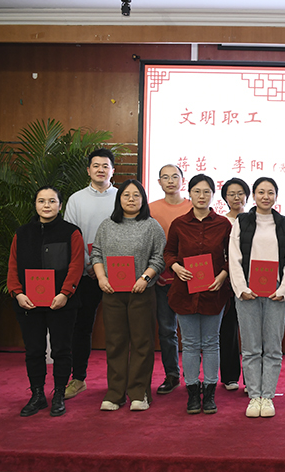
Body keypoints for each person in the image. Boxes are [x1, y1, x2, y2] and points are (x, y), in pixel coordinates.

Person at [7, 186, 84, 417]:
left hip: (62, 303)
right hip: (28, 303)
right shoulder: (22, 233)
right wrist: (18, 293)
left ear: (60, 205)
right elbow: (12, 266)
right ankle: (37, 394)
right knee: (34, 350)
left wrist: (65, 293)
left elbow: (76, 265)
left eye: (52, 201)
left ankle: (59, 393)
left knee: (62, 350)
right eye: (42, 201)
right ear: (35, 204)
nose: (47, 205)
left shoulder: (71, 232)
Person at [91, 179, 165, 411]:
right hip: (112, 292)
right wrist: (101, 278)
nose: (131, 199)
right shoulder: (107, 225)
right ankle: (115, 394)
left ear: (143, 200)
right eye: (126, 195)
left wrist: (145, 279)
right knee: (115, 343)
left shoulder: (151, 226)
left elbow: (159, 258)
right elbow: (96, 254)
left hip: (141, 292)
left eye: (136, 195)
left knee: (142, 343)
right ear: (119, 198)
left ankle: (139, 393)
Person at [229, 177, 285, 418]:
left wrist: (283, 289)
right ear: (254, 195)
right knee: (250, 348)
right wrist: (241, 288)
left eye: (270, 192)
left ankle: (267, 396)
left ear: (276, 196)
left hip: (275, 292)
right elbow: (234, 256)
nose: (265, 197)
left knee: (273, 347)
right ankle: (254, 397)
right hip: (247, 291)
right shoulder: (242, 221)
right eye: (261, 192)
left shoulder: (283, 223)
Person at [164, 174, 232, 414]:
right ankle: (193, 392)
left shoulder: (223, 224)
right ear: (189, 193)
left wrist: (222, 276)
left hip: (214, 292)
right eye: (197, 191)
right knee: (191, 344)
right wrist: (176, 267)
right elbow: (169, 252)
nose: (201, 196)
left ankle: (210, 392)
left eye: (206, 192)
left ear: (213, 195)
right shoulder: (179, 224)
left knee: (211, 343)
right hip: (185, 292)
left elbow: (232, 257)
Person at [62, 148, 118, 400]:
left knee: (120, 329)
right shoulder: (76, 199)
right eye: (96, 165)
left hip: (118, 274)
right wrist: (91, 266)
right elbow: (71, 236)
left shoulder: (122, 197)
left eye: (105, 166)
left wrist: (107, 269)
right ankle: (78, 378)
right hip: (85, 275)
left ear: (112, 170)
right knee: (82, 328)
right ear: (88, 170)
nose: (100, 170)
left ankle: (119, 381)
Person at [149, 164, 192, 395]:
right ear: (159, 182)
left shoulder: (194, 206)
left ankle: (194, 378)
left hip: (191, 279)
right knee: (167, 330)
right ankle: (172, 374)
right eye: (165, 177)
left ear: (182, 180)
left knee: (192, 333)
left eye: (175, 176)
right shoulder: (151, 209)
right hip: (161, 279)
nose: (171, 181)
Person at [219, 177, 250, 391]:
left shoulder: (255, 220)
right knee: (228, 329)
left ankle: (251, 379)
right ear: (225, 198)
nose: (236, 197)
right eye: (231, 194)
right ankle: (230, 376)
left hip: (251, 281)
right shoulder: (221, 222)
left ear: (247, 196)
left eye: (240, 193)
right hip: (226, 282)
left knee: (250, 332)